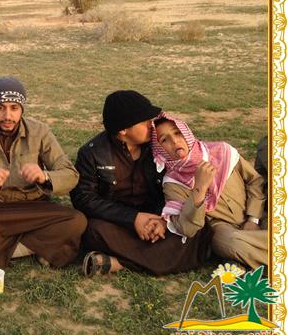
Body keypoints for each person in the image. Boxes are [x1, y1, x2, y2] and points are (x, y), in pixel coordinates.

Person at [0, 76, 86, 271]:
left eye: (14, 108)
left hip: (33, 207)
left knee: (77, 220)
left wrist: (45, 177)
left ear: (22, 108)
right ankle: (39, 247)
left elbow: (70, 174)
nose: (7, 115)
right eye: (0, 108)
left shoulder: (40, 132)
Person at [71, 91, 211, 276]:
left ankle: (120, 262)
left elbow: (173, 186)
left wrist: (162, 220)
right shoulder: (93, 153)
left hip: (158, 218)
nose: (151, 124)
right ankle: (156, 258)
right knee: (92, 230)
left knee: (199, 230)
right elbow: (84, 198)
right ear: (123, 130)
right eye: (145, 121)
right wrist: (133, 218)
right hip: (118, 221)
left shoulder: (159, 146)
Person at [152, 113, 267, 269]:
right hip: (223, 230)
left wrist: (253, 220)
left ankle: (244, 260)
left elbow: (254, 181)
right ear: (160, 149)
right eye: (164, 140)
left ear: (186, 132)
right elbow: (187, 228)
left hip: (256, 214)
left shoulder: (222, 151)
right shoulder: (173, 183)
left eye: (177, 133)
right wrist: (199, 188)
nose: (174, 141)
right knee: (232, 244)